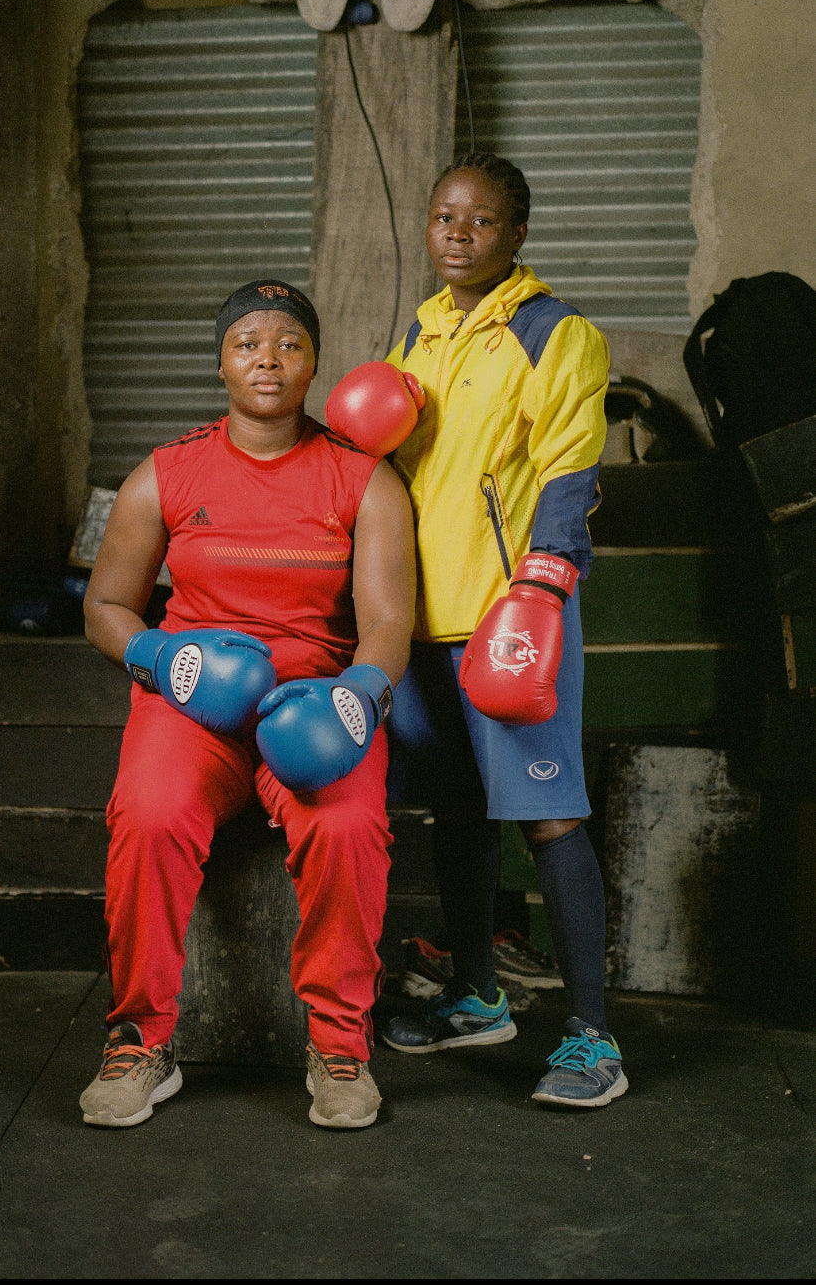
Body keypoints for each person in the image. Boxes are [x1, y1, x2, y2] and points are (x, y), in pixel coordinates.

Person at [80, 278, 415, 1130]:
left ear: (313, 364)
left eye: (289, 343)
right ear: (220, 360)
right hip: (193, 702)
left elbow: (387, 623)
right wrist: (159, 653)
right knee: (148, 815)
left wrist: (359, 698)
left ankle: (341, 1050)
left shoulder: (364, 480)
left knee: (346, 826)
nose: (268, 358)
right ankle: (138, 1043)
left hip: (314, 699)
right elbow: (106, 607)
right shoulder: (165, 474)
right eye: (247, 343)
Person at [335, 151, 623, 1107]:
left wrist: (544, 585)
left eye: (483, 220)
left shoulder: (555, 333)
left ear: (518, 233)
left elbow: (570, 469)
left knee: (549, 814)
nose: (459, 234)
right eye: (444, 217)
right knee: (456, 814)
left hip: (508, 618)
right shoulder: (418, 336)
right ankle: (477, 994)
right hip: (417, 623)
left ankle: (592, 1041)